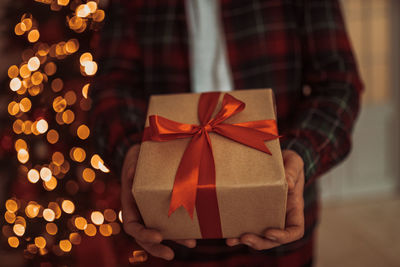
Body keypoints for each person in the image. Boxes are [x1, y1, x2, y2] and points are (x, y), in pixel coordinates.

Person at [91, 0, 363, 266]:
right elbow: (113, 88)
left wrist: (300, 154)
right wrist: (130, 152)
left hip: (278, 217)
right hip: (170, 229)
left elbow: (338, 83)